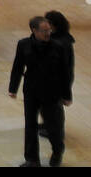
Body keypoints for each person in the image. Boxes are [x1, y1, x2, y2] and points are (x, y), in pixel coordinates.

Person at [9, 15, 72, 167]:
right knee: (30, 126)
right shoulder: (23, 45)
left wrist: (66, 95)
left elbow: (65, 72)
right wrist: (13, 88)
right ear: (34, 30)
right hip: (31, 91)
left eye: (49, 30)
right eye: (44, 30)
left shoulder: (58, 47)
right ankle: (32, 159)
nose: (48, 33)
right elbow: (18, 67)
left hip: (52, 93)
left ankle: (57, 151)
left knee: (53, 127)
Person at [41, 10, 75, 139]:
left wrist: (67, 94)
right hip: (49, 79)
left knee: (54, 107)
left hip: (57, 80)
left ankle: (55, 130)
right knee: (45, 106)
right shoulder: (57, 38)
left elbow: (65, 68)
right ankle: (48, 125)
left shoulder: (61, 43)